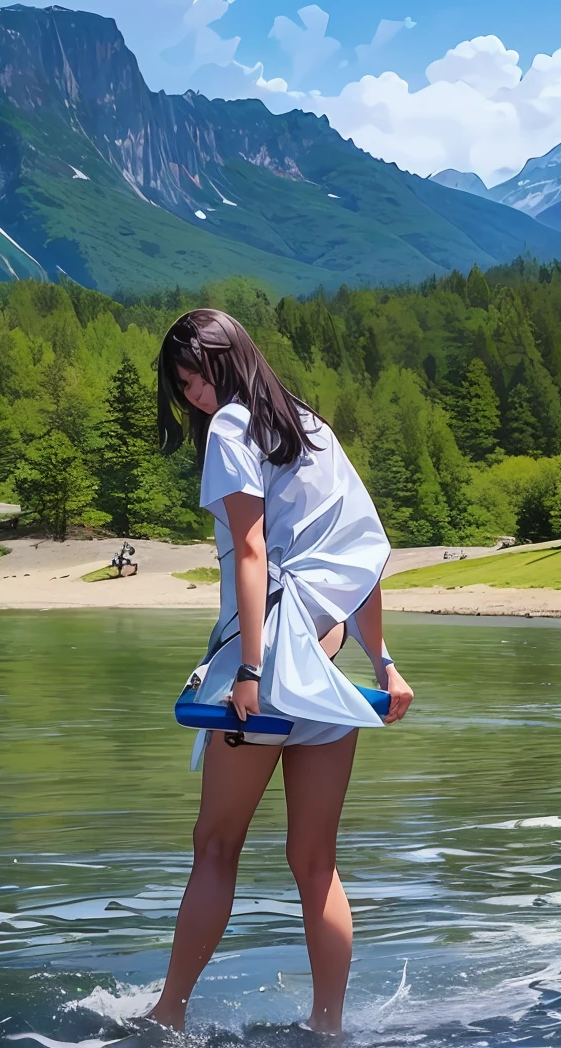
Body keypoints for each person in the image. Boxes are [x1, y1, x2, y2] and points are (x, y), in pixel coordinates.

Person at [147, 309, 414, 1037]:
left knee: (215, 845)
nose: (192, 394)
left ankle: (167, 1017)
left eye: (194, 375)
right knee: (316, 863)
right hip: (327, 679)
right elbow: (364, 558)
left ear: (225, 361)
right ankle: (326, 1028)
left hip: (266, 671)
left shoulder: (233, 430)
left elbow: (252, 552)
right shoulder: (312, 429)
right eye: (181, 384)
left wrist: (252, 673)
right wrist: (385, 664)